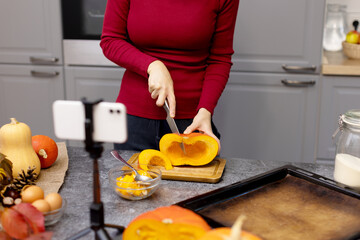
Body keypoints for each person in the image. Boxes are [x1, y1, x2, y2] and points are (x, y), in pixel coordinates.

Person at [100, 0, 239, 152]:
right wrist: (152, 65)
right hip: (134, 121)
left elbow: (220, 58)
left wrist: (205, 110)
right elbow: (111, 40)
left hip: (192, 121)